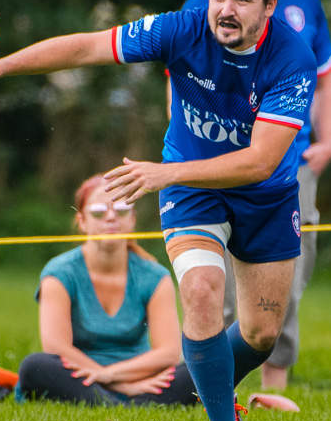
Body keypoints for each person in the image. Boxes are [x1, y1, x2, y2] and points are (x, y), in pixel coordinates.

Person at [0, 0, 316, 421]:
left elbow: (261, 160)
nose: (224, 8)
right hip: (192, 189)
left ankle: (212, 386)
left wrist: (168, 173)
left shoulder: (291, 58)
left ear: (268, 7)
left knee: (261, 334)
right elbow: (88, 48)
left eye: (241, 0)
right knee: (199, 291)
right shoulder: (181, 27)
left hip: (266, 195)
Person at [179, 0, 331, 390]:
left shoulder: (305, 5)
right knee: (211, 282)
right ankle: (209, 388)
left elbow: (328, 81)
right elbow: (179, 80)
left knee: (283, 287)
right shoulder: (202, 6)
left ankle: (274, 387)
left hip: (288, 166)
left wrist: (329, 139)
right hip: (215, 165)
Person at [14, 174, 197, 407]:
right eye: (99, 212)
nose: (110, 217)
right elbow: (56, 348)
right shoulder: (59, 273)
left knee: (200, 368)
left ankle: (112, 402)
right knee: (35, 366)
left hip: (142, 378)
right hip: (80, 379)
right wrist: (121, 386)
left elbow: (169, 353)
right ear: (82, 221)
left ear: (133, 219)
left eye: (121, 210)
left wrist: (110, 375)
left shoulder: (155, 276)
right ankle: (125, 401)